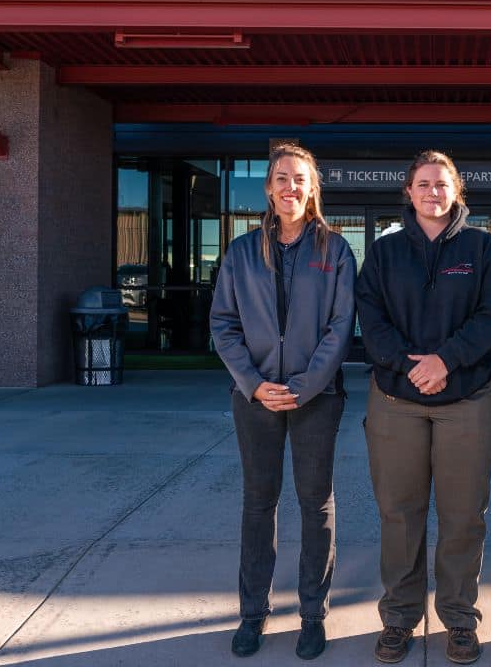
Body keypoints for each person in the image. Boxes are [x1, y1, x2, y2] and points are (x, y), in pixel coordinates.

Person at [355, 150, 491, 665]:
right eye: (423, 183)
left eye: (442, 184)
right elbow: (371, 320)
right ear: (409, 192)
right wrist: (408, 364)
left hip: (466, 400)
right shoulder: (383, 253)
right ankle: (399, 618)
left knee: (464, 516)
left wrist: (446, 359)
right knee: (399, 514)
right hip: (396, 400)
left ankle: (459, 619)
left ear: (456, 191)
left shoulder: (483, 249)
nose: (432, 192)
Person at [210, 144, 356, 661]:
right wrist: (253, 383)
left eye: (300, 179)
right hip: (254, 400)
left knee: (316, 506)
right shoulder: (242, 251)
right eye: (281, 179)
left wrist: (304, 385)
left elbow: (341, 328)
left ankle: (313, 615)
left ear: (312, 188)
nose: (290, 187)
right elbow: (223, 325)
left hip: (316, 399)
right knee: (258, 504)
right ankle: (253, 615)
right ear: (269, 189)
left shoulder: (335, 251)